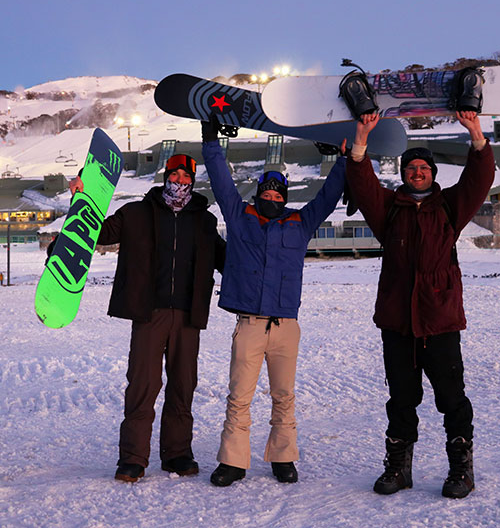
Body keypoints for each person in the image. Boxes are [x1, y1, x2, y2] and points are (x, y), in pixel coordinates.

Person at [345, 111, 494, 499]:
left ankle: (461, 469)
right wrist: (361, 138)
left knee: (452, 399)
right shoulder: (389, 210)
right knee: (401, 400)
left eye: (423, 167)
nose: (416, 172)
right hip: (397, 324)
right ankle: (399, 468)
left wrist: (475, 133)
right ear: (403, 174)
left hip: (440, 321)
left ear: (432, 173)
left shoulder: (449, 208)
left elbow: (479, 180)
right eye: (410, 167)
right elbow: (362, 186)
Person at [200, 116, 346, 487]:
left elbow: (328, 196)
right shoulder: (239, 217)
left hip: (285, 328)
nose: (271, 199)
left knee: (284, 396)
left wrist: (345, 159)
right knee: (240, 397)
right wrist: (211, 142)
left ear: (285, 199)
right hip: (249, 324)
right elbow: (220, 181)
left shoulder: (299, 223)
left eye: (277, 196)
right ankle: (233, 462)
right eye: (266, 194)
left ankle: (283, 457)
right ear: (258, 195)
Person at [67, 154, 226, 482]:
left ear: (192, 180)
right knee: (143, 385)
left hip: (187, 317)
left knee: (183, 386)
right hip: (148, 313)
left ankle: (177, 454)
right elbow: (99, 232)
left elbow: (228, 260)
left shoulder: (204, 221)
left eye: (185, 176)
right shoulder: (137, 212)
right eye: (174, 174)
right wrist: (81, 198)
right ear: (165, 176)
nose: (179, 181)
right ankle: (133, 458)